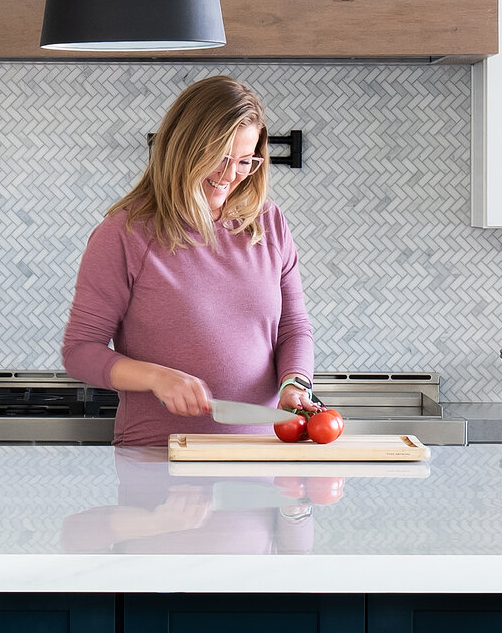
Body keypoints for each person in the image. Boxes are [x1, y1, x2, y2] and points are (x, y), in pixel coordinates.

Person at [61, 76, 313, 448]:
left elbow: (293, 327)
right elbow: (79, 351)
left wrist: (295, 383)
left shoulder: (268, 223)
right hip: (160, 459)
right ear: (184, 148)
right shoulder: (125, 234)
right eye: (220, 158)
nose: (230, 176)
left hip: (262, 458)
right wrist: (156, 377)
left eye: (246, 161)